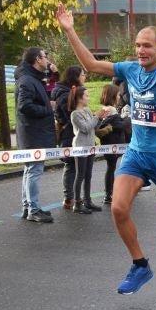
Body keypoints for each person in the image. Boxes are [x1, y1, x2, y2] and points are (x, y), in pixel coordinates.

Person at [57, 3, 156, 294]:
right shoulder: (130, 69)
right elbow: (91, 65)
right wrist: (70, 30)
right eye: (138, 45)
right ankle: (140, 265)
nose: (141, 50)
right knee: (118, 207)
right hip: (137, 153)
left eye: (147, 46)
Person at [14, 47, 56, 223]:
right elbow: (24, 106)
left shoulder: (32, 78)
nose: (48, 60)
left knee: (30, 169)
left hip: (33, 133)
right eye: (45, 57)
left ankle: (28, 207)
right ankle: (33, 209)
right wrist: (48, 109)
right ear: (37, 59)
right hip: (33, 134)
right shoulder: (27, 80)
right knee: (34, 170)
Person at [52, 66, 88, 211]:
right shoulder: (64, 94)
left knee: (74, 167)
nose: (84, 77)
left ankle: (73, 197)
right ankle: (69, 198)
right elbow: (71, 116)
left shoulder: (67, 91)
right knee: (71, 166)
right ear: (75, 77)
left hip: (71, 133)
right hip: (69, 134)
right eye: (82, 75)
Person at [96, 83, 131, 205]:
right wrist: (128, 118)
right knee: (111, 168)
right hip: (113, 143)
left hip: (107, 143)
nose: (119, 97)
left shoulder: (104, 109)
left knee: (111, 168)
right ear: (112, 96)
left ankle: (109, 193)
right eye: (117, 95)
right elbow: (119, 125)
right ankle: (109, 194)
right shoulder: (111, 109)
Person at [70, 85, 102, 214]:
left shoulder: (87, 110)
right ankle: (77, 203)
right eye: (86, 96)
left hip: (90, 146)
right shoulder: (75, 114)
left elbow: (93, 127)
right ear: (79, 98)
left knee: (88, 175)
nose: (88, 98)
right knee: (80, 175)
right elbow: (85, 128)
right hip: (81, 147)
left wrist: (100, 118)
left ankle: (88, 201)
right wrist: (96, 117)